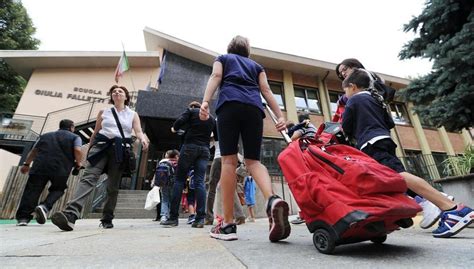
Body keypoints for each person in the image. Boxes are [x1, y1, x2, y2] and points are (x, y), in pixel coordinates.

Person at [341, 68, 473, 238]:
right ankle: (438, 204)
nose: (345, 94)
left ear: (352, 87)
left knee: (400, 176)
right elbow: (389, 123)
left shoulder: (354, 101)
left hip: (371, 143)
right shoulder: (377, 99)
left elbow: (346, 127)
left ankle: (452, 209)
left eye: (345, 90)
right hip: (385, 140)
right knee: (396, 178)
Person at [200, 35, 290, 241]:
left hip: (229, 105)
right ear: (248, 51)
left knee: (229, 161)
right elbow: (266, 90)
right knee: (253, 161)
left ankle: (228, 225)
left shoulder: (223, 58)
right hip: (253, 109)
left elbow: (215, 77)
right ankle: (272, 200)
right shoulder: (257, 66)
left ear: (230, 48)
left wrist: (206, 102)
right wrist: (280, 116)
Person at [51, 85, 149, 231]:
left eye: (120, 91)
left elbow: (138, 131)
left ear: (126, 97)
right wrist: (87, 152)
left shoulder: (132, 114)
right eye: (114, 91)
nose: (116, 92)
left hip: (120, 150)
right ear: (111, 96)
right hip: (100, 148)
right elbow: (95, 133)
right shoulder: (104, 112)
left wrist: (143, 139)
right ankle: (71, 214)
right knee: (88, 178)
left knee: (112, 187)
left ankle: (107, 217)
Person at [15, 119, 82, 226]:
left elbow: (34, 151)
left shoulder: (45, 136)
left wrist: (26, 164)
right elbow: (78, 150)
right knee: (58, 189)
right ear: (71, 127)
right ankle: (44, 206)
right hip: (61, 169)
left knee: (32, 191)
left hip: (40, 167)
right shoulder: (75, 137)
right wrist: (78, 163)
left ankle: (23, 218)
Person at [161, 101, 215, 228]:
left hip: (189, 148)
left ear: (193, 107)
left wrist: (174, 129)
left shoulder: (191, 111)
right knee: (200, 182)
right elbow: (216, 136)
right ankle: (200, 219)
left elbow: (178, 122)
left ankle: (173, 218)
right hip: (204, 150)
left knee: (179, 180)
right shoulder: (212, 118)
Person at [205, 133, 246, 226]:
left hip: (219, 158)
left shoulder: (216, 128)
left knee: (212, 188)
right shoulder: (232, 129)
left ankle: (208, 217)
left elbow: (209, 144)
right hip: (231, 160)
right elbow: (238, 146)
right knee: (230, 187)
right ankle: (240, 216)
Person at [155, 149, 179, 224]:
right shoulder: (176, 163)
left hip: (164, 183)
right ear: (175, 156)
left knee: (165, 199)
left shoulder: (162, 162)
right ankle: (171, 215)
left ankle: (163, 216)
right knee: (173, 200)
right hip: (173, 183)